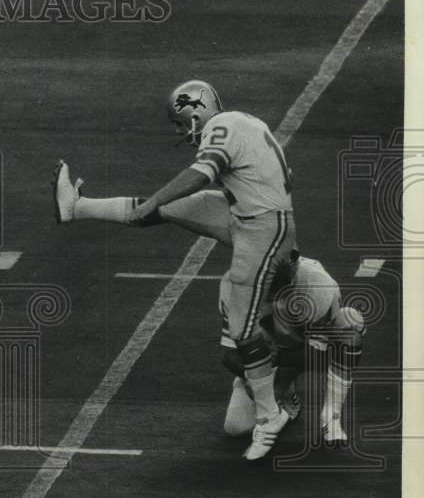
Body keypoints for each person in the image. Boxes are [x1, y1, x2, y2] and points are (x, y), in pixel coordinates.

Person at [54, 80, 296, 460]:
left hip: (262, 227)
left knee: (242, 329)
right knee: (167, 211)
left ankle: (271, 414)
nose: (182, 132)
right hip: (249, 214)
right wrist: (158, 206)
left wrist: (154, 199)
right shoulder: (242, 121)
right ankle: (77, 207)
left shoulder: (220, 128)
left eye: (182, 123)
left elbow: (201, 173)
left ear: (194, 110)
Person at [221, 251, 364, 445]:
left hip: (300, 346)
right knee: (236, 427)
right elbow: (229, 355)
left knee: (351, 324)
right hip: (263, 359)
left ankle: (331, 418)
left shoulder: (317, 284)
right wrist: (254, 375)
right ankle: (285, 394)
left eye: (280, 281)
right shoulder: (234, 286)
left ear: (293, 268)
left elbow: (316, 356)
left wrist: (275, 365)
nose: (274, 291)